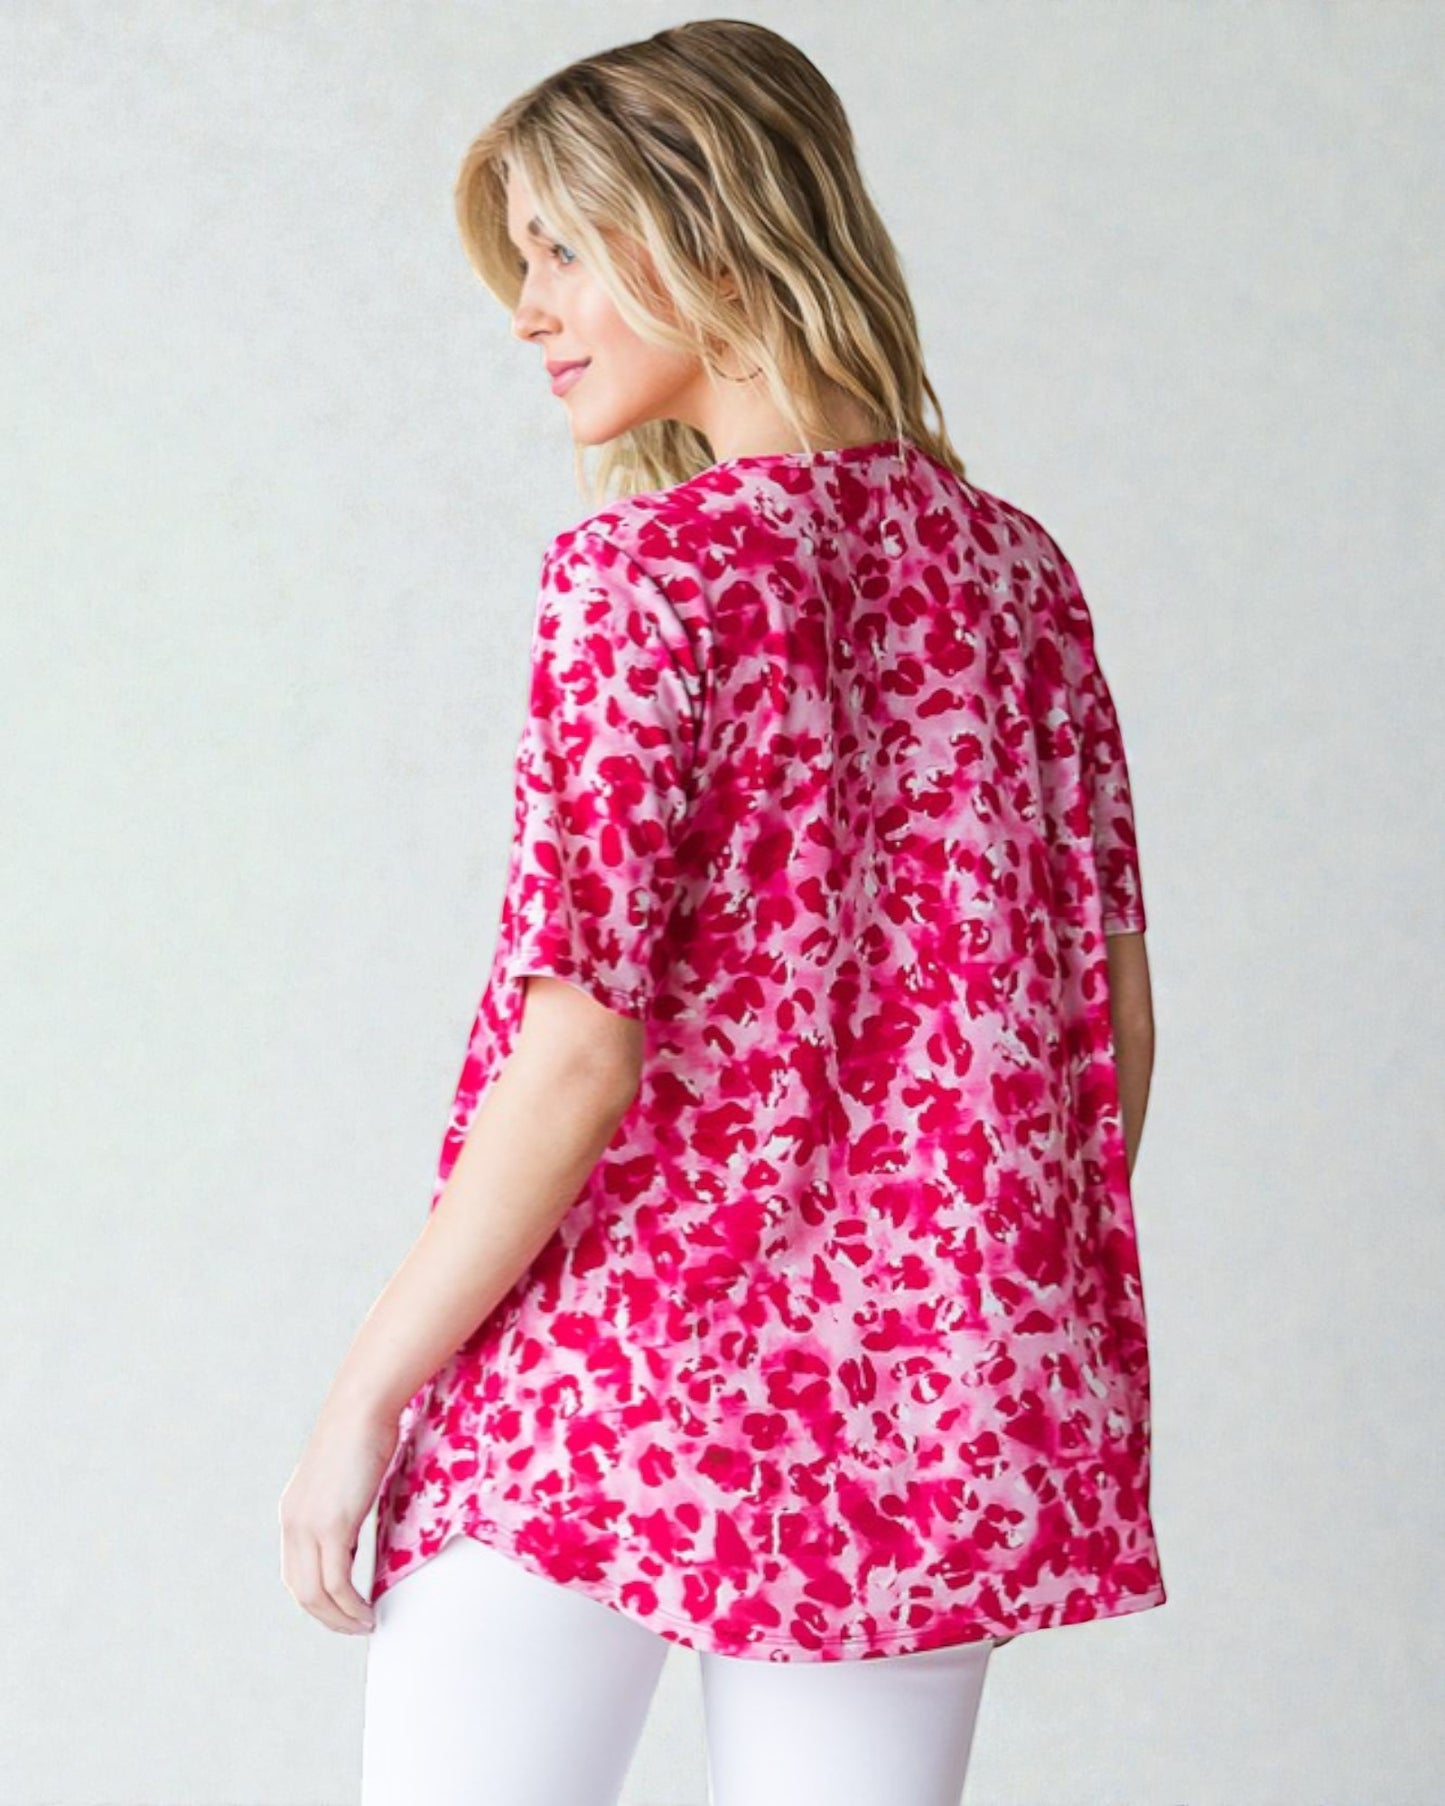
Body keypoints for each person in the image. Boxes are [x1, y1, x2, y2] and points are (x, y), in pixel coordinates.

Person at [278, 19, 1167, 1805]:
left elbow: (577, 1051)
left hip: (601, 1380)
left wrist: (362, 1397)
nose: (524, 307)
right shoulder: (1016, 576)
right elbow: (1109, 1036)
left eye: (560, 248)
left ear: (712, 225)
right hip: (914, 1403)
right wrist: (928, 1295)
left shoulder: (645, 574)